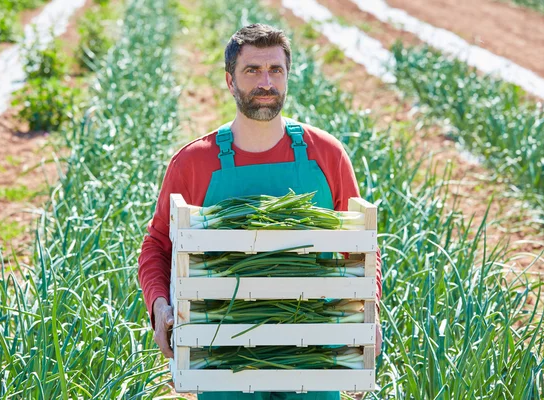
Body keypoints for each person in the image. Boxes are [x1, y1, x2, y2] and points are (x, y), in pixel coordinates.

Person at [138, 23, 383, 400]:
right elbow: (157, 244)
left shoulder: (326, 154)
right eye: (252, 70)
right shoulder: (194, 162)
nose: (265, 82)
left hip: (313, 351)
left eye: (275, 70)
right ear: (229, 80)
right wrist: (159, 305)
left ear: (287, 77)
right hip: (222, 353)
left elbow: (361, 247)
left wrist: (369, 311)